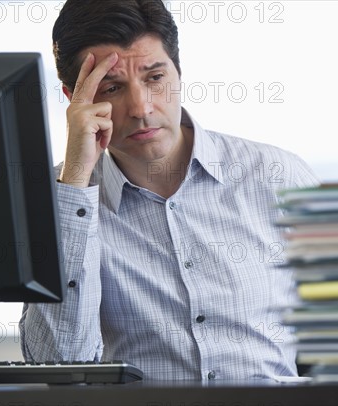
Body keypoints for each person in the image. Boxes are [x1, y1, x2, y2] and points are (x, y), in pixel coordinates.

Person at [19, 0, 318, 380]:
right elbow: (58, 367)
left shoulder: (278, 177)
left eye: (155, 78)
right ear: (74, 98)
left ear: (179, 72)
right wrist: (76, 179)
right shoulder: (56, 203)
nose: (141, 107)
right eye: (112, 87)